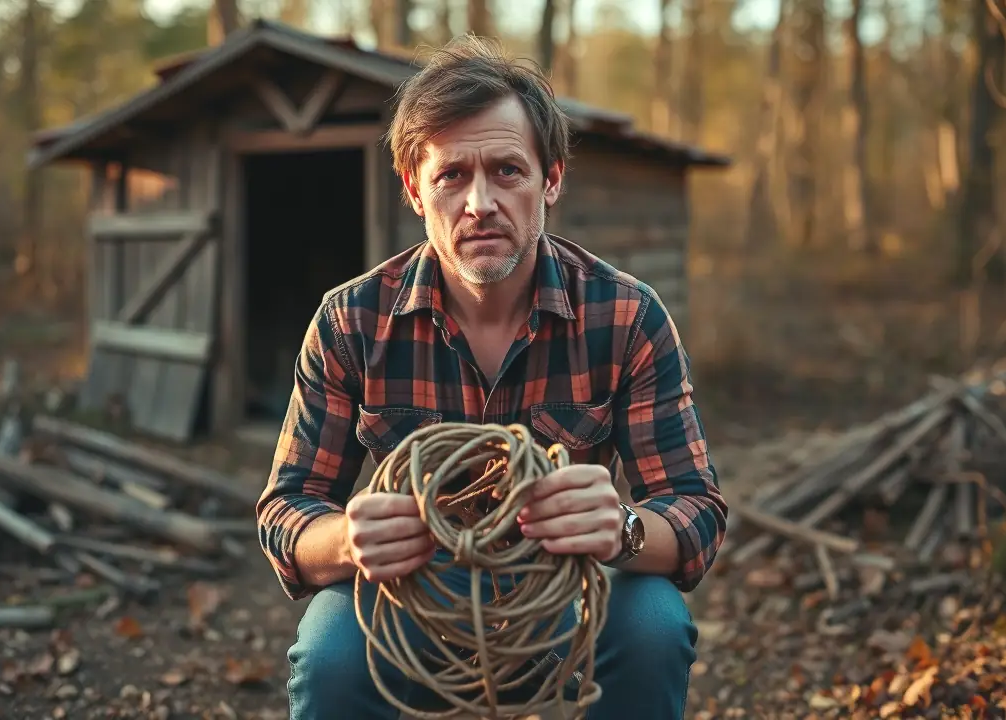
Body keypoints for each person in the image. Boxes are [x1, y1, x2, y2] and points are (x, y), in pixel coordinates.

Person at [256, 34, 728, 720]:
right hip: (410, 600)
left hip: (566, 590)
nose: (480, 203)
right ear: (416, 190)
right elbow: (285, 510)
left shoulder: (627, 315)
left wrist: (622, 528)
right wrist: (349, 540)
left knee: (654, 622)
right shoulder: (351, 321)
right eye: (452, 176)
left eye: (508, 171)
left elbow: (695, 509)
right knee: (328, 654)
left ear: (552, 179)